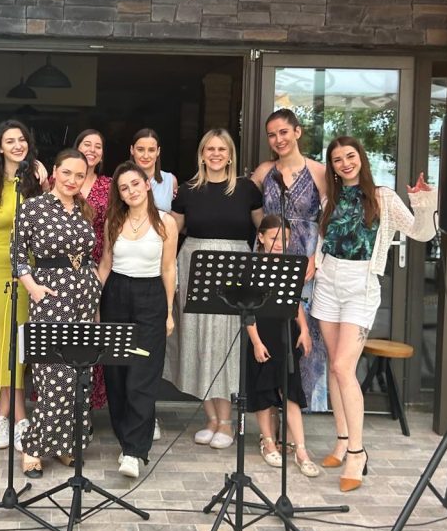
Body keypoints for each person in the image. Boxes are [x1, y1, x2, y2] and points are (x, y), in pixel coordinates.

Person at [314, 136, 436, 492]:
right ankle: (341, 439)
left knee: (343, 367)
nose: (345, 163)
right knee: (333, 366)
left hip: (361, 287)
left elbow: (421, 232)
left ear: (361, 158)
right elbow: (323, 242)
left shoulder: (383, 197)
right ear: (332, 166)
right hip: (328, 284)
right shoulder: (330, 199)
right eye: (337, 159)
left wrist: (424, 201)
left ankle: (357, 451)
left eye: (350, 156)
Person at [164, 129, 262, 450]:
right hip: (194, 265)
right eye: (210, 149)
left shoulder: (247, 189)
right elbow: (171, 232)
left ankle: (227, 421)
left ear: (230, 155)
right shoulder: (188, 191)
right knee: (197, 340)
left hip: (236, 268)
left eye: (222, 149)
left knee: (226, 343)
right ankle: (210, 419)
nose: (216, 154)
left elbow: (264, 230)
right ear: (202, 154)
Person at [14, 149, 101, 478]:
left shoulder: (83, 208)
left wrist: (93, 289)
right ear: (54, 171)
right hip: (50, 296)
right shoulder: (33, 207)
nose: (72, 180)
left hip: (83, 296)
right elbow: (17, 255)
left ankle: (67, 444)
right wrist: (33, 288)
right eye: (67, 173)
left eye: (79, 175)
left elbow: (88, 255)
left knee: (79, 375)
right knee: (53, 376)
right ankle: (34, 447)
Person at [97, 162, 178, 478]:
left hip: (150, 297)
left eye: (135, 184)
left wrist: (168, 312)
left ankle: (134, 450)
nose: (130, 191)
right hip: (116, 294)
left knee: (141, 375)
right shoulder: (113, 221)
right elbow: (106, 264)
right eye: (123, 188)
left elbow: (168, 269)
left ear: (146, 185)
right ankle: (126, 439)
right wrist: (95, 306)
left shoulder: (165, 223)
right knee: (116, 375)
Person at [250, 109, 330, 412]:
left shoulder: (318, 171)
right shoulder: (264, 171)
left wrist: (316, 256)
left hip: (306, 259)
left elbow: (329, 217)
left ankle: (299, 407)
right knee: (271, 329)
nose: (278, 139)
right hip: (270, 259)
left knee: (305, 330)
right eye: (272, 135)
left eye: (283, 132)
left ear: (297, 132)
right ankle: (270, 409)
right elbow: (250, 207)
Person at [0, 121, 47, 451]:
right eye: (10, 141)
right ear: (0, 147)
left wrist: (41, 172)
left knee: (21, 338)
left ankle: (4, 414)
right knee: (2, 339)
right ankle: (19, 418)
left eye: (22, 139)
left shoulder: (36, 180)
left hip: (28, 268)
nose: (17, 145)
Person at [245, 215, 320, 478]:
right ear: (261, 238)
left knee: (290, 391)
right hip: (261, 335)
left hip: (285, 334)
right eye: (274, 237)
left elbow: (295, 301)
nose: (279, 243)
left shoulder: (289, 266)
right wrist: (256, 342)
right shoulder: (252, 267)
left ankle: (301, 450)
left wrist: (305, 330)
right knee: (264, 390)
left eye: (284, 238)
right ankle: (267, 441)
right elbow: (247, 311)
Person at [73, 128, 110, 411]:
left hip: (97, 267)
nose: (92, 150)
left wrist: (100, 277)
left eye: (98, 146)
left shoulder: (109, 185)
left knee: (92, 333)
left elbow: (112, 232)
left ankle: (84, 407)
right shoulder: (58, 180)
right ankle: (61, 403)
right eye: (87, 144)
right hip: (61, 268)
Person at [129, 127, 178, 213]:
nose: (146, 156)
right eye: (140, 150)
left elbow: (175, 216)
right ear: (132, 150)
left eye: (151, 150)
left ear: (158, 151)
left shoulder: (170, 181)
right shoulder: (121, 180)